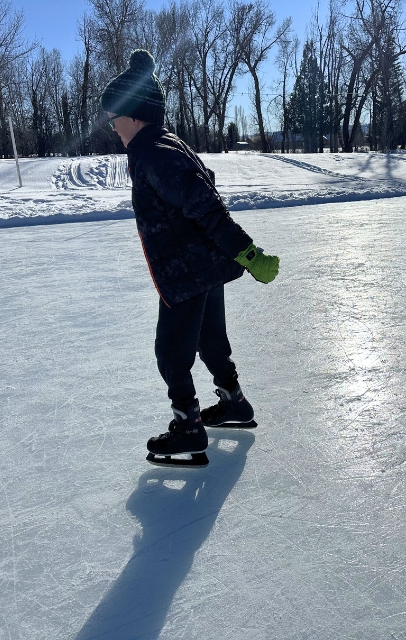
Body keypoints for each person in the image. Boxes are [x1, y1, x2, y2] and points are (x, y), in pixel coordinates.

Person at [100, 49, 279, 466]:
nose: (112, 127)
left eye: (114, 118)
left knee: (171, 351)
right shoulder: (163, 145)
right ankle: (234, 401)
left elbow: (206, 205)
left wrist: (247, 252)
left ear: (135, 114)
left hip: (187, 271)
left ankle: (188, 427)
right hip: (203, 264)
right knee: (209, 338)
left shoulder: (155, 153)